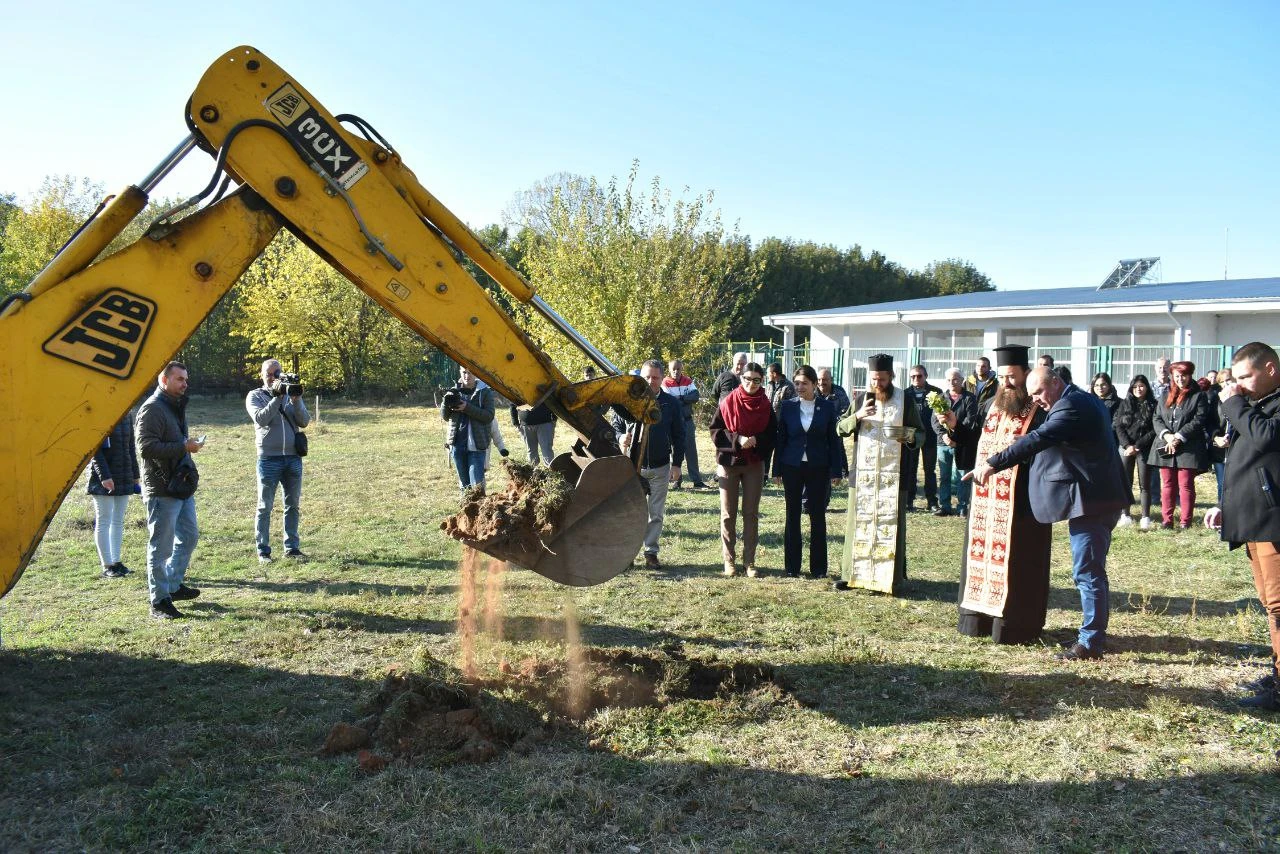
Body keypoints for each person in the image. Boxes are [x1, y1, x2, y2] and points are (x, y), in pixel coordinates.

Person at [969, 366, 1130, 660]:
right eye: (1032, 395)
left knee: (1087, 572)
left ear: (1056, 382)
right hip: (1100, 496)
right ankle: (1092, 633)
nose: (1037, 400)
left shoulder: (1070, 405)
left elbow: (1040, 438)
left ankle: (1091, 643)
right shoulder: (1082, 399)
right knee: (1090, 570)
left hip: (1092, 500)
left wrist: (992, 463)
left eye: (1039, 392)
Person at [956, 345, 1053, 645]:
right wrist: (954, 428)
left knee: (1019, 562)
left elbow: (1050, 452)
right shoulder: (991, 406)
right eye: (1002, 378)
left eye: (1012, 377)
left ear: (1025, 375)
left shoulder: (1041, 411)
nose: (1007, 384)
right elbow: (972, 442)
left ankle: (1014, 626)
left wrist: (1025, 448)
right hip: (987, 501)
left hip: (1022, 501)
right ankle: (977, 621)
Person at [1206, 342, 1280, 711]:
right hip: (1255, 518)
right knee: (1270, 604)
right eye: (1233, 380)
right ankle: (1277, 671)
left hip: (1273, 522)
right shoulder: (1257, 405)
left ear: (1269, 369)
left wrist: (1233, 404)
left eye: (1245, 377)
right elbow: (1245, 460)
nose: (1237, 386)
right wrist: (1226, 506)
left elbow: (1267, 438)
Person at [834, 353, 922, 594]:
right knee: (857, 525)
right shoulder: (862, 398)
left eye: (882, 380)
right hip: (862, 476)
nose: (877, 384)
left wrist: (905, 434)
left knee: (890, 525)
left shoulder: (906, 400)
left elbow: (921, 433)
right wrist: (858, 415)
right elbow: (840, 427)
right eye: (874, 379)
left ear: (891, 377)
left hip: (894, 475)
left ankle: (891, 578)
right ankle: (850, 574)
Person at [136, 361, 204, 619]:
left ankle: (173, 585)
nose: (185, 383)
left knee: (188, 536)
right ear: (163, 381)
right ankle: (159, 600)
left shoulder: (174, 406)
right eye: (179, 379)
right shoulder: (152, 409)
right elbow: (146, 448)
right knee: (161, 548)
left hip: (180, 485)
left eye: (186, 379)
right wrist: (184, 447)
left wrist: (185, 447)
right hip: (162, 488)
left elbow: (173, 442)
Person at [772, 365, 843, 578]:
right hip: (791, 466)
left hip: (818, 467)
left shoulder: (827, 407)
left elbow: (834, 441)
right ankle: (792, 567)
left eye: (804, 383)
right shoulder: (787, 406)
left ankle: (819, 568)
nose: (800, 387)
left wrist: (836, 471)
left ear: (814, 384)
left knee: (817, 516)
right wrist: (776, 469)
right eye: (797, 383)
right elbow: (781, 439)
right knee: (792, 515)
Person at [615, 360, 684, 568]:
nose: (650, 381)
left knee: (655, 513)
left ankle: (651, 552)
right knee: (630, 513)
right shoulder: (628, 401)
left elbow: (679, 436)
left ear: (662, 379)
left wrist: (677, 464)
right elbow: (616, 425)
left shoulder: (670, 404)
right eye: (646, 377)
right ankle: (628, 555)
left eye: (655, 377)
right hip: (631, 467)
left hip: (660, 466)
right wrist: (620, 438)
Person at [710, 362, 776, 577]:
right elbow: (715, 431)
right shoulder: (728, 402)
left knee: (751, 514)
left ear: (762, 381)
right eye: (747, 379)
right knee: (728, 514)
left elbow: (773, 434)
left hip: (754, 465)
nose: (751, 384)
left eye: (757, 380)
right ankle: (729, 561)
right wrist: (738, 439)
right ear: (741, 379)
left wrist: (757, 439)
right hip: (729, 464)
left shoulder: (766, 405)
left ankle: (750, 562)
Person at [246, 359, 312, 563]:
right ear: (262, 375)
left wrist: (296, 399)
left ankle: (291, 548)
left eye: (277, 373)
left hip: (293, 458)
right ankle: (263, 551)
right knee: (265, 506)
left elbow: (304, 421)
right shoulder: (255, 396)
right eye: (269, 374)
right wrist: (276, 398)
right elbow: (261, 419)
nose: (274, 377)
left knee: (292, 505)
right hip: (269, 458)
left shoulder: (290, 395)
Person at [1148, 360, 1212, 529]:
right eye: (1177, 376)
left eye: (1184, 376)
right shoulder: (1165, 394)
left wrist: (1179, 436)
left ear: (1190, 375)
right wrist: (1167, 436)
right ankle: (1167, 520)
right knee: (1167, 484)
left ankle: (1185, 521)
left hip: (1188, 447)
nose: (1180, 379)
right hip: (1166, 444)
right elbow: (1157, 417)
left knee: (1186, 485)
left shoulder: (1199, 396)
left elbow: (1199, 419)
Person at [88, 412, 140, 578]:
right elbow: (95, 450)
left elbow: (130, 447)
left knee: (118, 520)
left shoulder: (127, 415)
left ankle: (116, 562)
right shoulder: (101, 414)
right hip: (104, 477)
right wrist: (104, 476)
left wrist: (135, 475)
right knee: (104, 520)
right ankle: (107, 565)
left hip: (123, 474)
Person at [1113, 374, 1157, 529]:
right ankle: (1125, 514)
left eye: (1142, 386)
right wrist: (1127, 445)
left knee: (1145, 484)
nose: (1138, 389)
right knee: (1126, 482)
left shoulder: (1153, 404)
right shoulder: (1125, 404)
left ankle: (1145, 516)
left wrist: (1138, 445)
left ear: (1146, 387)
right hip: (1126, 449)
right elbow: (1118, 426)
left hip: (1144, 448)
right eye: (1135, 386)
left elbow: (1154, 429)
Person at [933, 367, 979, 517]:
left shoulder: (970, 398)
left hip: (962, 443)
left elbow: (970, 420)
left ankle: (962, 507)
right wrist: (944, 436)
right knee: (944, 476)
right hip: (943, 443)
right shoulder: (940, 398)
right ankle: (945, 506)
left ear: (962, 380)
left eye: (955, 379)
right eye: (949, 379)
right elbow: (934, 421)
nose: (952, 382)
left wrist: (956, 438)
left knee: (963, 476)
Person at [441, 365, 496, 491]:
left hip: (477, 445)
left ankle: (482, 509)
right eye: (464, 372)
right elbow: (445, 416)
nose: (467, 376)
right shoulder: (454, 391)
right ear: (460, 373)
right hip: (457, 444)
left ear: (476, 374)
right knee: (464, 486)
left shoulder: (485, 392)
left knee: (477, 485)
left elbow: (489, 416)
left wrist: (467, 407)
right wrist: (446, 401)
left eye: (470, 373)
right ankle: (466, 509)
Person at [663, 359, 708, 490]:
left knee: (691, 451)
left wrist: (681, 398)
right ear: (669, 369)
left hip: (687, 421)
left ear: (682, 369)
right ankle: (677, 481)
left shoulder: (688, 380)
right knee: (674, 451)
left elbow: (695, 396)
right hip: (673, 423)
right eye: (673, 369)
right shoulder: (665, 382)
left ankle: (697, 480)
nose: (676, 371)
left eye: (678, 369)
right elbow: (670, 401)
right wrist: (684, 400)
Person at [903, 365, 942, 513]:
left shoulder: (936, 392)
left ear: (926, 376)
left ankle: (932, 501)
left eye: (919, 376)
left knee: (929, 470)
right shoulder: (905, 394)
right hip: (911, 436)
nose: (916, 379)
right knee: (910, 469)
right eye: (913, 376)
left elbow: (941, 413)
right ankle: (909, 501)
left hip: (930, 436)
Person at [817, 367, 851, 481]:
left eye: (825, 379)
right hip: (817, 427)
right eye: (819, 379)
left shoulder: (839, 392)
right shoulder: (813, 391)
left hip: (835, 425)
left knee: (838, 447)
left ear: (831, 380)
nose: (822, 382)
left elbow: (846, 411)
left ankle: (842, 471)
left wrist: (835, 422)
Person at [511, 400, 556, 465]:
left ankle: (551, 472)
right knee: (531, 452)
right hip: (525, 425)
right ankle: (534, 472)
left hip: (544, 423)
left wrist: (554, 418)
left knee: (546, 450)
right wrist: (515, 422)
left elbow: (552, 399)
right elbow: (512, 403)